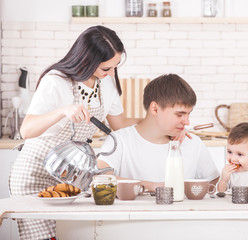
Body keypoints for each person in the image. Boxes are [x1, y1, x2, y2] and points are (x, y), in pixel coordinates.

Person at [8, 25, 138, 240]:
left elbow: (121, 124)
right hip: (35, 174)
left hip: (71, 175)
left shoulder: (106, 85)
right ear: (87, 60)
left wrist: (162, 123)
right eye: (106, 68)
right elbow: (27, 130)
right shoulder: (56, 80)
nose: (111, 73)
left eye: (115, 67)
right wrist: (62, 111)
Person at [97, 74, 220, 191]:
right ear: (155, 109)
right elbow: (100, 178)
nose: (187, 122)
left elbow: (214, 185)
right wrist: (152, 186)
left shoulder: (191, 142)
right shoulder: (119, 141)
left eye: (188, 114)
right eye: (179, 114)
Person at [217, 122, 248, 192]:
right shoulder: (229, 174)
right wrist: (224, 180)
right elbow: (220, 192)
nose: (233, 159)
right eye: (230, 152)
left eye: (239, 154)